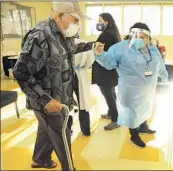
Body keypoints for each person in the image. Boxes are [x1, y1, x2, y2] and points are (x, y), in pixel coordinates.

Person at [12, 1, 94, 170]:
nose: (77, 25)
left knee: (45, 130)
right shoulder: (40, 36)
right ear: (58, 15)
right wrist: (46, 100)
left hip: (60, 97)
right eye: (74, 20)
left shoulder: (62, 34)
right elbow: (20, 72)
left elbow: (72, 48)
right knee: (62, 135)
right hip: (48, 102)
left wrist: (93, 45)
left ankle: (40, 159)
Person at [94, 22, 168, 148]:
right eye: (136, 35)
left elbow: (159, 64)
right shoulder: (120, 48)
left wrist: (165, 77)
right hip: (130, 89)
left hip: (148, 89)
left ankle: (143, 127)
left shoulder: (152, 48)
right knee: (132, 113)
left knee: (145, 108)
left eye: (142, 36)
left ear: (148, 38)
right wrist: (100, 54)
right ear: (130, 36)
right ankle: (134, 135)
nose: (139, 39)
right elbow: (109, 62)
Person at [92, 13, 121, 130]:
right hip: (111, 69)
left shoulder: (106, 35)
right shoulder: (114, 33)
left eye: (100, 21)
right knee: (111, 92)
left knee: (108, 94)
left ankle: (115, 119)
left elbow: (97, 50)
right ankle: (111, 114)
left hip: (105, 69)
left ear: (107, 22)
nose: (98, 23)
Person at [73, 37, 95, 136]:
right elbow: (90, 62)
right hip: (80, 73)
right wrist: (82, 67)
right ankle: (86, 129)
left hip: (65, 75)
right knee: (83, 104)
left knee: (66, 104)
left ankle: (67, 130)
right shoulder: (85, 43)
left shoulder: (59, 42)